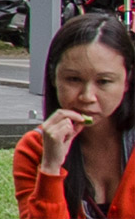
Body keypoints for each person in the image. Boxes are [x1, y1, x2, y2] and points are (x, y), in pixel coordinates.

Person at [15, 13, 135, 217]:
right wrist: (51, 167)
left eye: (104, 81)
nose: (87, 97)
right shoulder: (35, 148)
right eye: (73, 79)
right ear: (54, 77)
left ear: (127, 81)